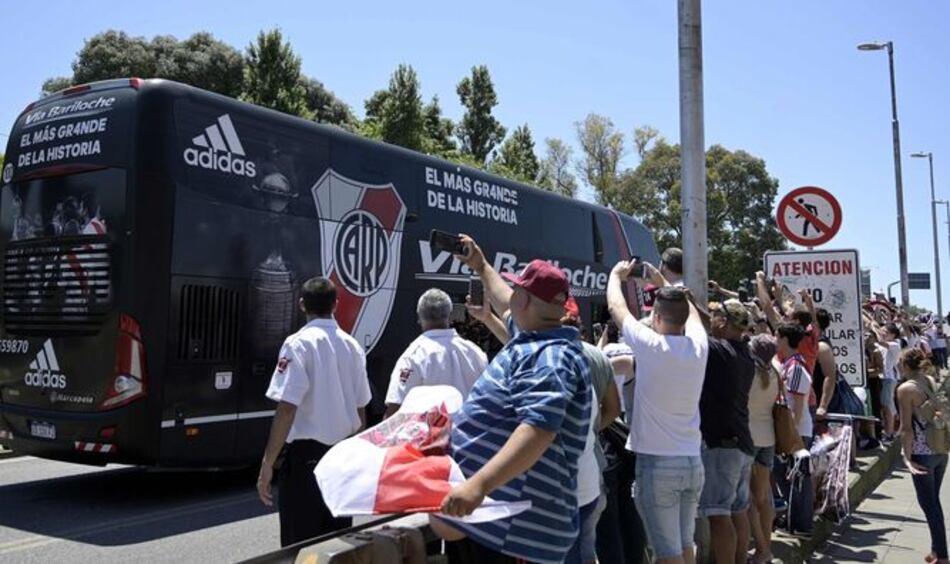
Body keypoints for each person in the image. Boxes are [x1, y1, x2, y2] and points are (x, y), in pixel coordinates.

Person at [433, 235, 592, 564]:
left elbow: (538, 430)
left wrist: (478, 485)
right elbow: (506, 302)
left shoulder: (550, 357)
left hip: (514, 534)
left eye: (518, 289)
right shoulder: (535, 333)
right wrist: (480, 265)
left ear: (527, 302)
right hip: (500, 523)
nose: (512, 294)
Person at [257, 277, 372, 547]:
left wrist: (267, 465)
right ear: (335, 304)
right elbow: (361, 411)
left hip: (306, 461)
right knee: (338, 545)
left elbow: (286, 408)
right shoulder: (353, 346)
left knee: (302, 547)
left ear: (301, 305)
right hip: (341, 459)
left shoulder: (297, 344)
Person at [607, 258, 708, 564]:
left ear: (658, 316)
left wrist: (615, 275)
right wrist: (663, 284)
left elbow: (617, 307)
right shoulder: (699, 346)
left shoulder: (650, 346)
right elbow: (689, 310)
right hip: (692, 462)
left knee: (666, 554)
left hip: (658, 466)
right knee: (685, 545)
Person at [698, 300, 755, 564]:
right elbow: (704, 323)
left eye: (715, 315)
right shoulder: (744, 352)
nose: (711, 318)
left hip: (722, 446)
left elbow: (696, 328)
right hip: (741, 443)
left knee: (719, 515)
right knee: (738, 511)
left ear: (725, 322)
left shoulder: (719, 352)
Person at [383, 288, 487, 418]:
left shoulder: (414, 356)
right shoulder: (475, 353)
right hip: (468, 434)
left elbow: (395, 408)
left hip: (431, 436)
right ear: (449, 316)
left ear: (419, 317)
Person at [897, 348, 949, 564]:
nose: (898, 367)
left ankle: (943, 556)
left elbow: (906, 428)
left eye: (900, 363)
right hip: (940, 447)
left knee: (929, 504)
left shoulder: (906, 389)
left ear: (906, 365)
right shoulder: (929, 380)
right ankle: (936, 551)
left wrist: (906, 456)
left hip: (921, 450)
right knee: (933, 501)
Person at [747, 334, 779, 564]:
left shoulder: (748, 374)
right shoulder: (775, 372)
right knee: (763, 498)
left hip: (748, 438)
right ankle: (765, 547)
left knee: (746, 499)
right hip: (769, 437)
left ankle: (760, 546)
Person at [813, 308, 837, 418]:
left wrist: (823, 406)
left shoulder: (821, 346)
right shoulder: (810, 343)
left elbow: (830, 376)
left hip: (818, 404)